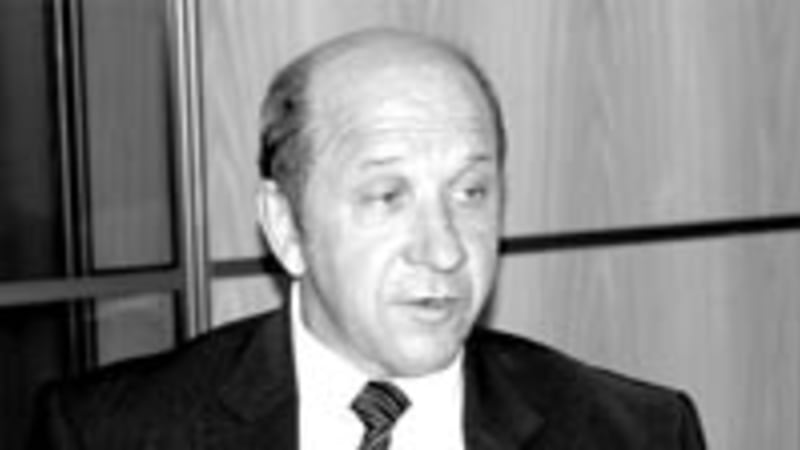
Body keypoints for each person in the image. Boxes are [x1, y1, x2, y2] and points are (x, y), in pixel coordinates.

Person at [29, 29, 706, 449]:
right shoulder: (106, 434)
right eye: (388, 197)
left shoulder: (636, 433)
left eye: (470, 193)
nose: (444, 250)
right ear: (286, 227)